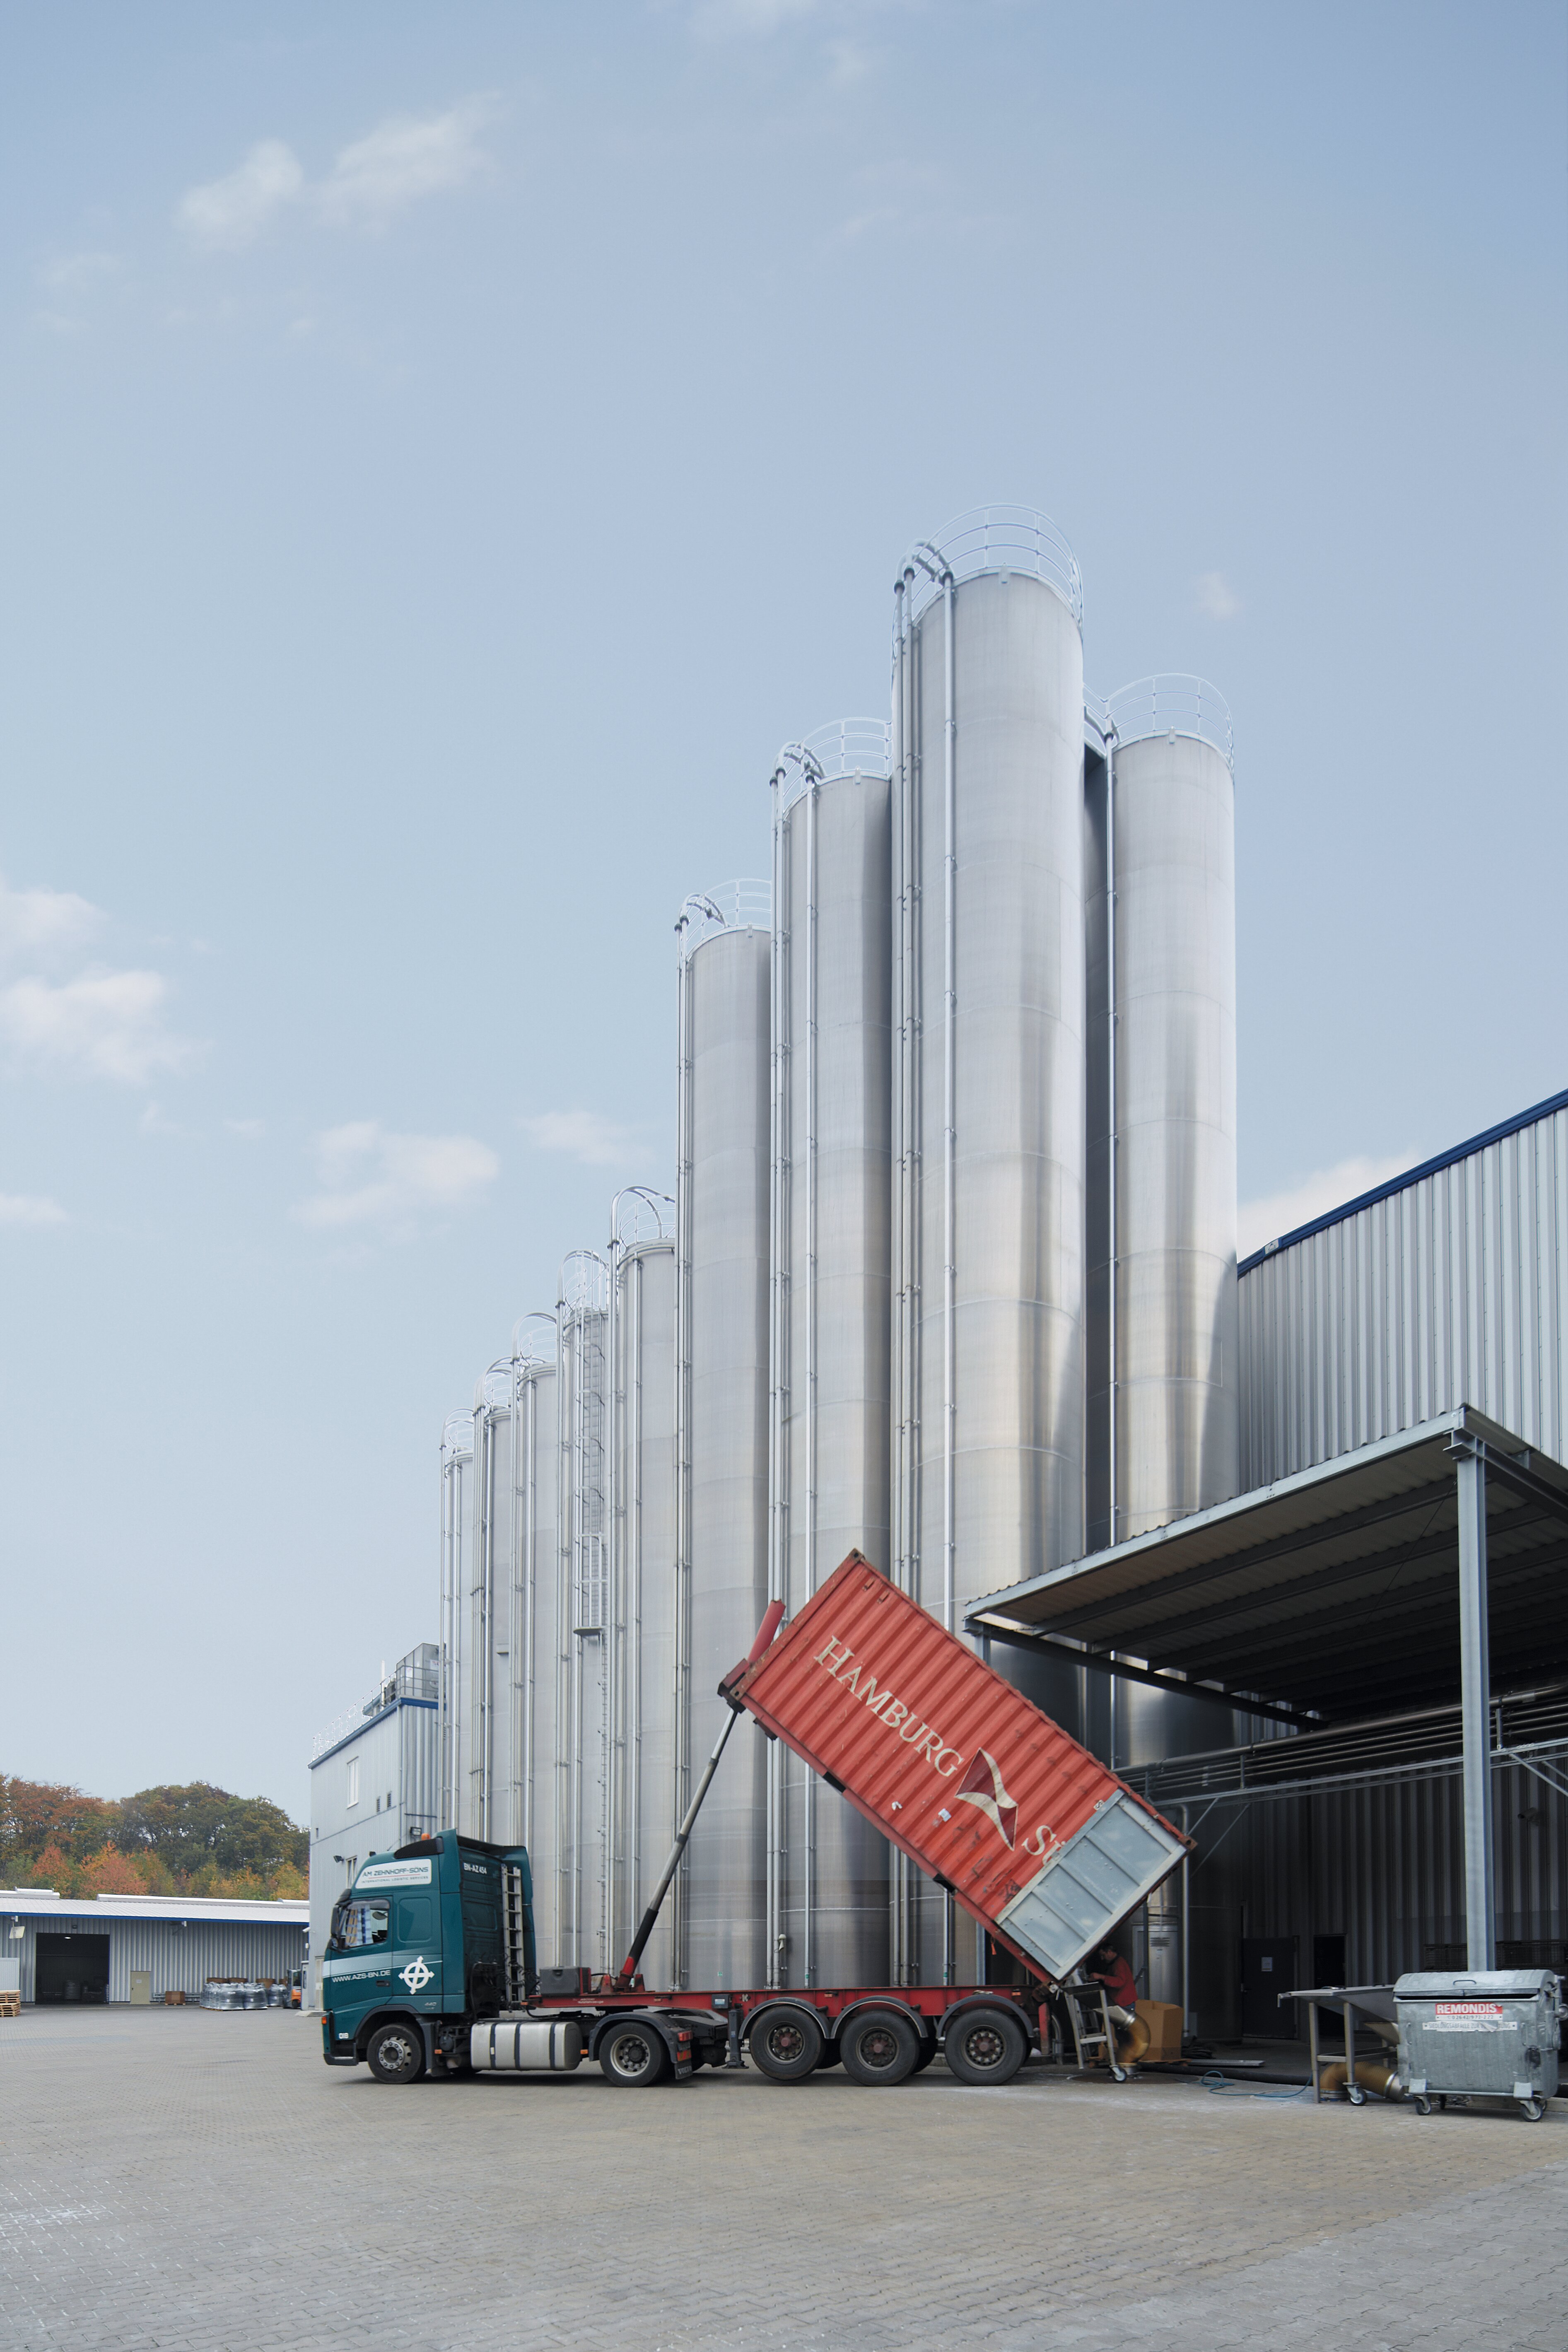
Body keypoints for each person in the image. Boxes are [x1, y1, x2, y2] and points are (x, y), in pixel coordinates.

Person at [1090, 1939, 1139, 2028]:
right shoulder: (1116, 1963)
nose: (1102, 1959)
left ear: (1109, 1952)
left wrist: (1101, 1977)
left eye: (1103, 1955)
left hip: (1124, 2003)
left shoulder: (1118, 1964)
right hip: (1123, 2002)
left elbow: (1119, 1982)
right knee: (1123, 2032)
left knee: (1124, 2032)